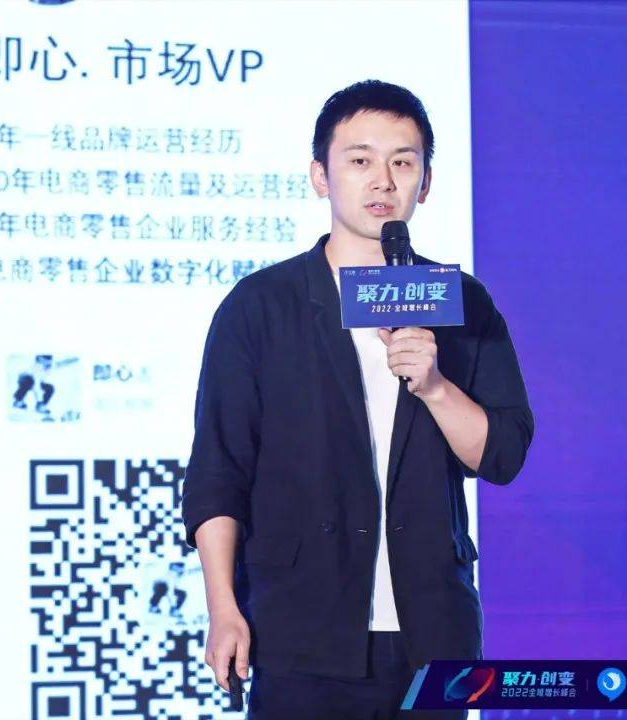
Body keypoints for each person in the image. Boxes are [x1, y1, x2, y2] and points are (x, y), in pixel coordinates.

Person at [183, 80, 534, 719]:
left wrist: (435, 386)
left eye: (403, 162)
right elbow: (218, 472)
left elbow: (502, 455)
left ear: (426, 182)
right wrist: (223, 607)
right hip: (301, 631)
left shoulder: (461, 301)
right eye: (360, 160)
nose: (383, 181)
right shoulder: (260, 307)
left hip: (434, 637)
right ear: (321, 175)